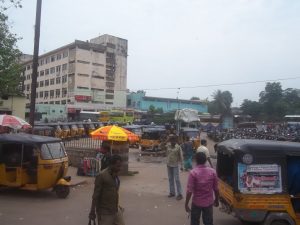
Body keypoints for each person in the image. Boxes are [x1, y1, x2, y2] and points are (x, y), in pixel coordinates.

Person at [185, 152, 219, 225]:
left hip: (196, 202)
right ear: (206, 160)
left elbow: (189, 191)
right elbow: (216, 189)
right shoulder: (212, 172)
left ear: (196, 160)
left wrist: (186, 204)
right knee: (208, 222)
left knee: (194, 221)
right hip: (209, 202)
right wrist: (216, 200)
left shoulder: (193, 173)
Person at [89, 155, 125, 225]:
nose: (120, 168)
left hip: (115, 209)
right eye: (118, 166)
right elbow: (95, 195)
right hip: (105, 212)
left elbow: (114, 192)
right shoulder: (101, 176)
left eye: (120, 166)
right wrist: (92, 211)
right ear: (111, 165)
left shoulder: (115, 174)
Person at [165, 135, 184, 200]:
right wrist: (167, 140)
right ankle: (172, 192)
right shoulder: (168, 145)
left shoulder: (178, 147)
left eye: (173, 140)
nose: (172, 141)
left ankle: (180, 194)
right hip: (169, 164)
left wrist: (182, 166)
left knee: (177, 179)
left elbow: (181, 157)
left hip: (175, 165)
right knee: (170, 179)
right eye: (171, 140)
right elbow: (160, 146)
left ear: (176, 141)